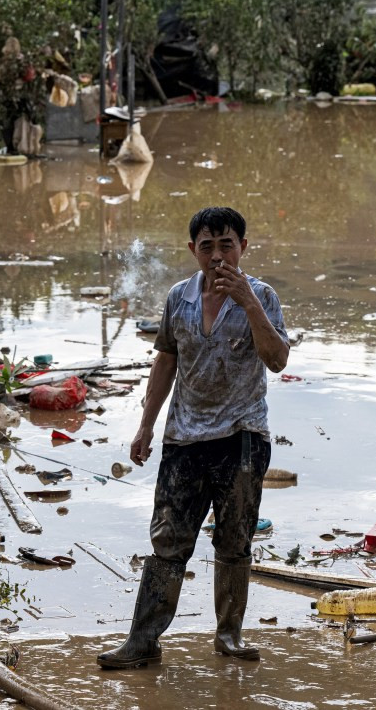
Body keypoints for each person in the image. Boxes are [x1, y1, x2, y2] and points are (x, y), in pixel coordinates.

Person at [97, 206, 290, 669]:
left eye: (227, 245)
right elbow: (165, 360)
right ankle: (142, 640)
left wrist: (248, 302)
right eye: (208, 246)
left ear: (244, 247)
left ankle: (229, 636)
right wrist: (145, 425)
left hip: (242, 437)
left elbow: (278, 359)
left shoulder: (261, 295)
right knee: (168, 540)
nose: (218, 255)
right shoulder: (178, 298)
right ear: (193, 250)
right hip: (184, 438)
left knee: (234, 540)